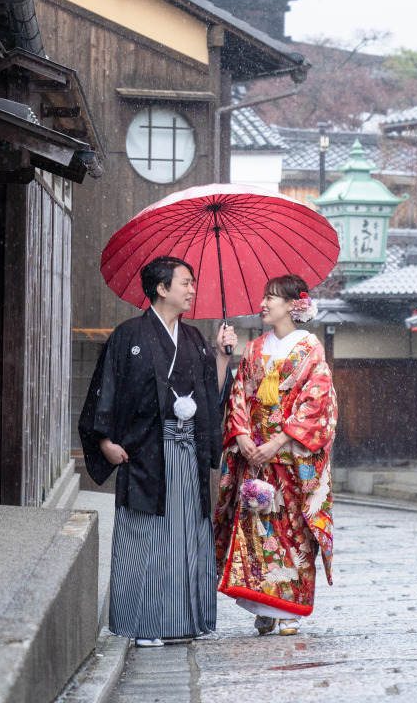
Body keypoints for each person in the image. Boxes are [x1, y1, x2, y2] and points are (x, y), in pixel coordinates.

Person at [79, 256, 236, 646]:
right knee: (147, 535)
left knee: (187, 536)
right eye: (185, 283)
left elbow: (211, 393)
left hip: (186, 452)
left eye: (193, 282)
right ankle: (145, 624)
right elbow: (105, 390)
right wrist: (105, 442)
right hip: (145, 452)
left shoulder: (197, 338)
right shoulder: (128, 335)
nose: (192, 290)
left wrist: (222, 356)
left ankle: (185, 620)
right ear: (162, 289)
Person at [213, 274, 336, 637]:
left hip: (291, 461)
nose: (263, 304)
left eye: (271, 298)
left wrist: (280, 439)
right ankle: (262, 605)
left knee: (293, 531)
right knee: (257, 529)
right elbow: (239, 397)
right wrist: (244, 436)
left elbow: (317, 403)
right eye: (264, 297)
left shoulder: (311, 351)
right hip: (256, 459)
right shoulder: (252, 350)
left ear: (293, 305)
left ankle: (288, 607)